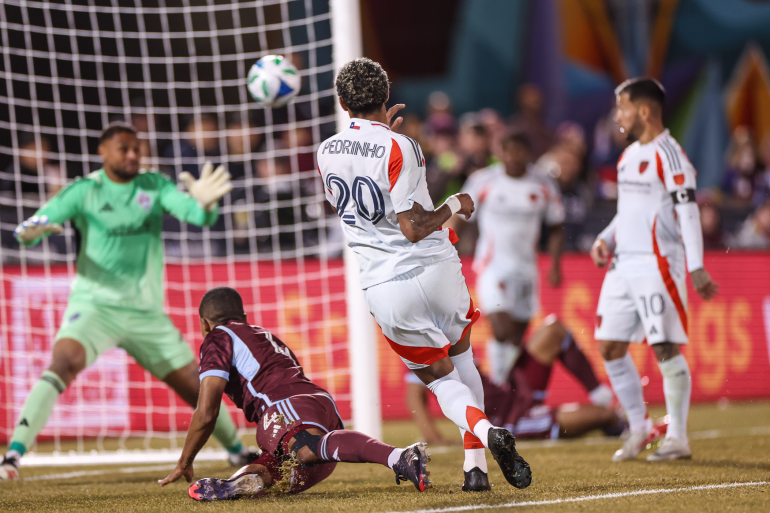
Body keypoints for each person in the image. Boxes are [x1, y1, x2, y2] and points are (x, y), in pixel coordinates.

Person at [317, 58, 531, 492]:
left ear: (342, 102)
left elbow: (361, 195)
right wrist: (456, 204)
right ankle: (476, 468)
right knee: (465, 357)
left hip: (385, 285)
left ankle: (488, 438)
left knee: (441, 380)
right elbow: (414, 228)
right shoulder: (404, 147)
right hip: (435, 270)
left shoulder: (325, 151)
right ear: (386, 97)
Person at [0, 122, 251, 481]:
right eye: (124, 148)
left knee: (196, 385)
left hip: (145, 314)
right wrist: (30, 232)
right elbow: (37, 223)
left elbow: (198, 216)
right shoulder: (84, 191)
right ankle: (13, 455)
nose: (133, 155)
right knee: (62, 363)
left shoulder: (154, 185)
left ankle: (236, 450)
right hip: (95, 307)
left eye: (137, 148)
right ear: (103, 152)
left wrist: (207, 204)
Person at [159, 287, 429, 500]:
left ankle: (399, 457)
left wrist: (185, 461)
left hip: (283, 407)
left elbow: (207, 412)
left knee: (305, 450)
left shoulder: (218, 336)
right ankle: (236, 484)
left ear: (205, 324)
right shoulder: (263, 335)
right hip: (318, 407)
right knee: (271, 473)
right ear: (244, 317)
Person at [590, 77, 719, 462]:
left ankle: (677, 437)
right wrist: (606, 237)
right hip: (622, 263)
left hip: (657, 263)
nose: (617, 116)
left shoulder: (671, 155)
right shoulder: (629, 155)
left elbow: (688, 212)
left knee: (664, 347)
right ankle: (641, 427)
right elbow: (627, 210)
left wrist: (696, 266)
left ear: (644, 110)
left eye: (622, 107)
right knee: (610, 346)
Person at [447, 132, 565, 386]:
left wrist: (555, 265)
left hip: (526, 270)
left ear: (528, 153)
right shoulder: (483, 181)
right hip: (493, 268)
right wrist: (446, 245)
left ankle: (511, 390)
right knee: (501, 330)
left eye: (519, 151)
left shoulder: (543, 184)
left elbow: (556, 226)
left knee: (516, 338)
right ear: (500, 152)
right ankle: (501, 388)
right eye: (508, 151)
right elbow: (461, 216)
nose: (513, 157)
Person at [409, 317, 619, 444]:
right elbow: (413, 395)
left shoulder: (446, 317)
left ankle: (600, 394)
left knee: (554, 330)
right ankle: (622, 427)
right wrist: (435, 438)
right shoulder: (417, 340)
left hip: (510, 390)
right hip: (506, 420)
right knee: (605, 415)